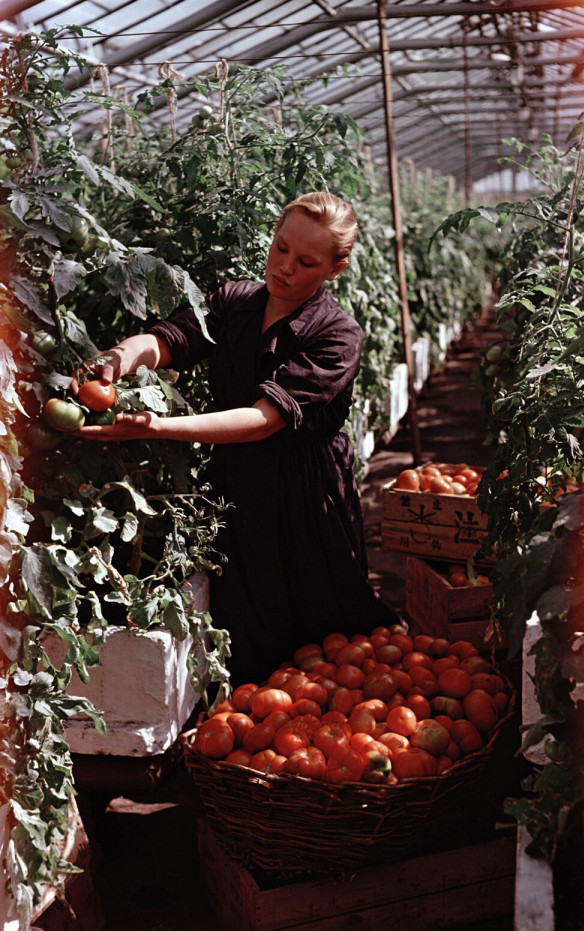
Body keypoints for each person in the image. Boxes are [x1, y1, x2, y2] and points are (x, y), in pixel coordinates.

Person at [74, 192, 401, 686]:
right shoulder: (235, 302)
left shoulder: (337, 334)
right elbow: (169, 340)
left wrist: (158, 426)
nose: (284, 267)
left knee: (324, 628)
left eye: (306, 262)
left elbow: (263, 420)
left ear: (336, 269)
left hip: (306, 491)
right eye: (281, 248)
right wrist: (119, 357)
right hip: (235, 480)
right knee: (248, 621)